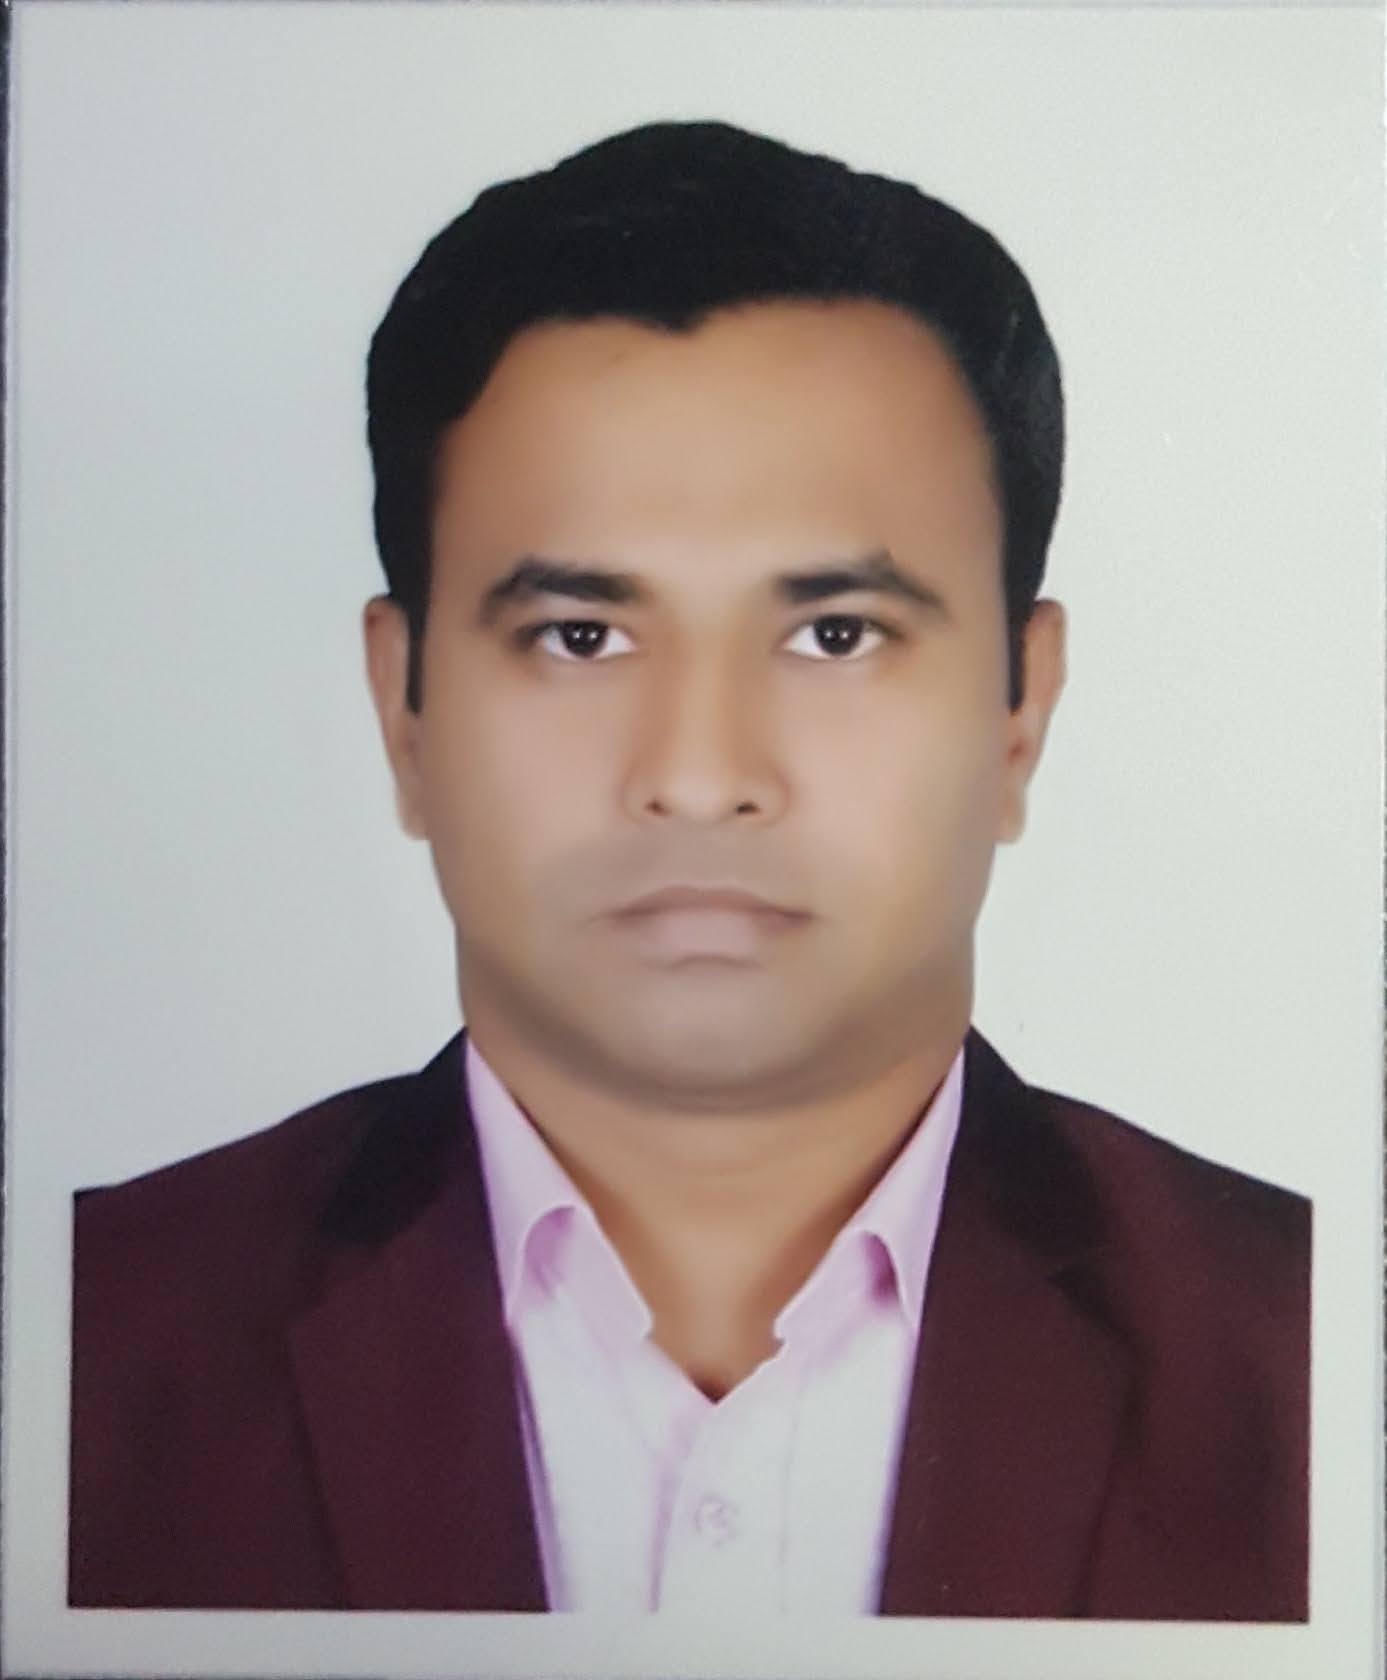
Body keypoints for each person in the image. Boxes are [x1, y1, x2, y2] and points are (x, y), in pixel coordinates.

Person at [68, 119, 1309, 1619]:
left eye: (834, 635)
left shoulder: (1314, 1358)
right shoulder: (75, 1353)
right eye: (581, 637)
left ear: (1019, 712)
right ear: (405, 711)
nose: (702, 773)